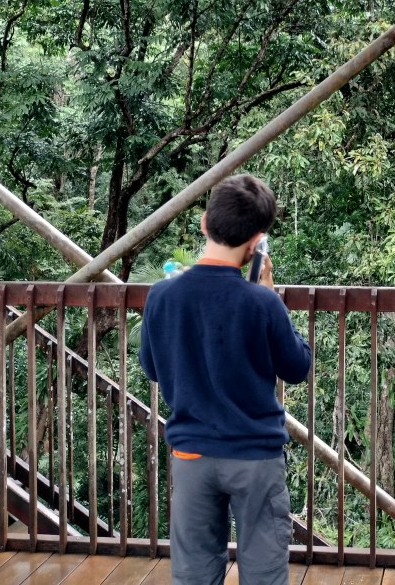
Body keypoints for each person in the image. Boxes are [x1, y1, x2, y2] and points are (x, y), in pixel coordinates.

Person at [139, 174, 311, 585]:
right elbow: (296, 367)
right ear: (257, 242)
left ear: (204, 223)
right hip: (254, 457)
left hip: (192, 456)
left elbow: (152, 369)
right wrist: (272, 296)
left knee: (194, 575)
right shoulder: (262, 301)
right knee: (264, 575)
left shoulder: (162, 295)